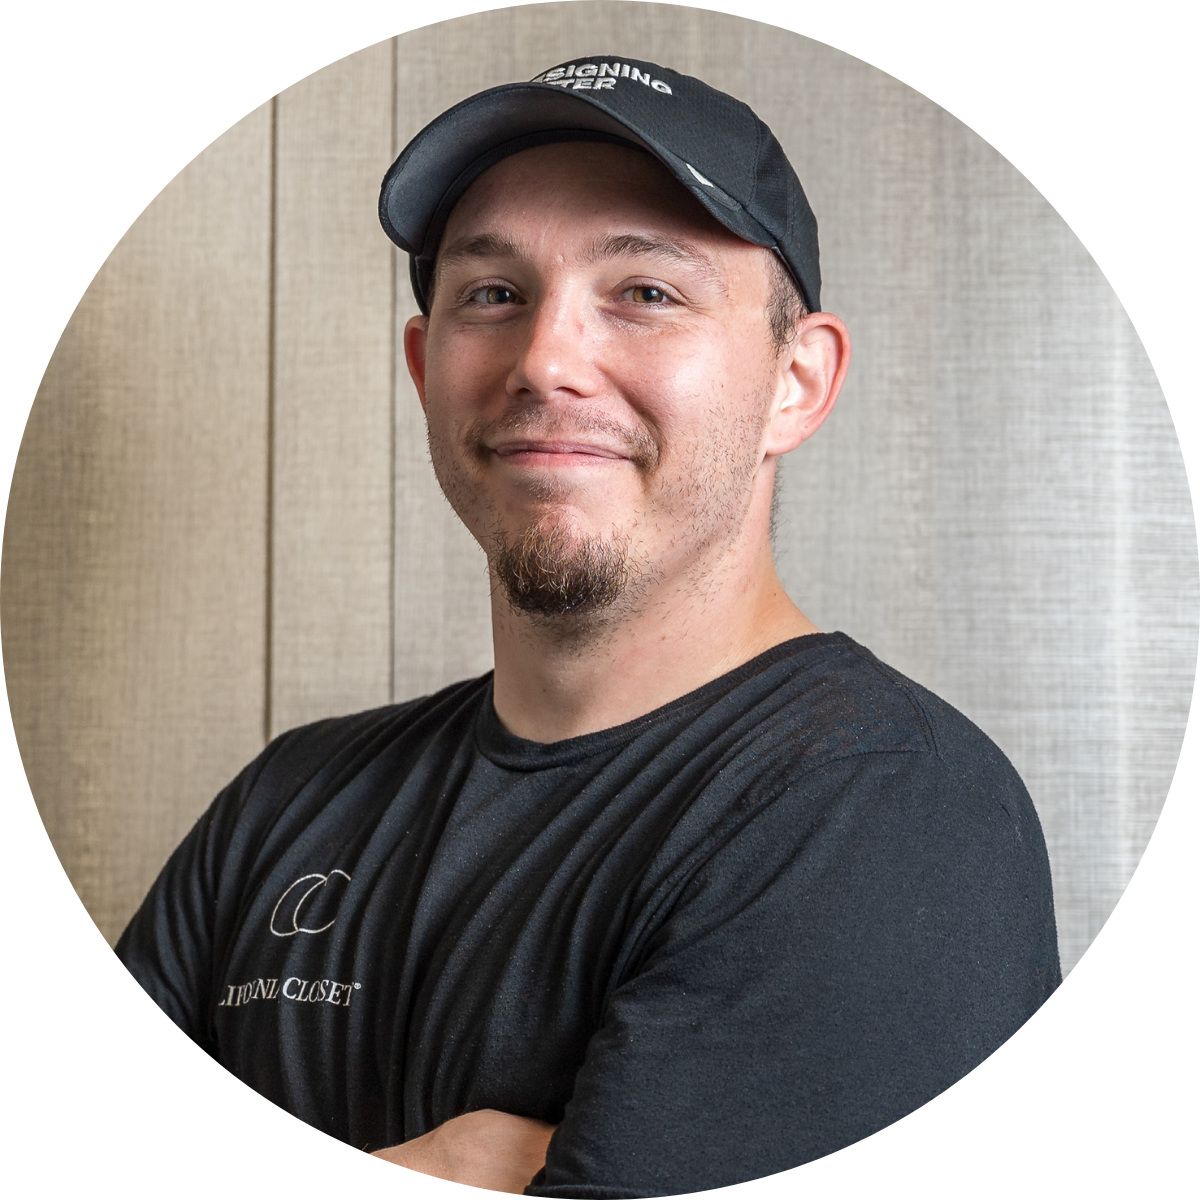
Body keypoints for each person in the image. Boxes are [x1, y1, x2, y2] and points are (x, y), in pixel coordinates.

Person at [116, 56, 1060, 1196]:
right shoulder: (286, 803)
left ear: (795, 384)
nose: (546, 361)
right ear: (427, 370)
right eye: (492, 295)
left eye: (647, 293)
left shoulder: (884, 811)